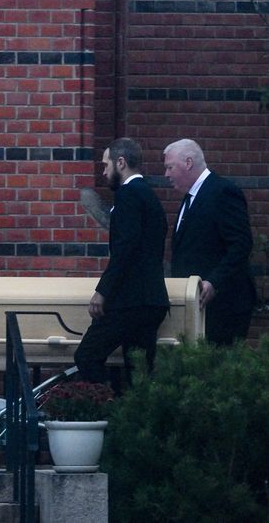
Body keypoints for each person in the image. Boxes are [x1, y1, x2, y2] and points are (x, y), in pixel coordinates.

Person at [74, 138, 170, 385]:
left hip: (129, 301)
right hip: (152, 299)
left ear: (121, 163)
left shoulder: (127, 195)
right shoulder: (149, 196)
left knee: (86, 356)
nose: (103, 171)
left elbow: (126, 249)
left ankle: (109, 412)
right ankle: (132, 418)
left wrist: (102, 291)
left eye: (106, 165)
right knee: (139, 373)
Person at [164, 139, 256, 346]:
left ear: (188, 163)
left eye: (170, 167)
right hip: (198, 303)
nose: (166, 175)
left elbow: (241, 244)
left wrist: (214, 281)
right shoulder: (191, 198)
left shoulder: (222, 192)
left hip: (224, 303)